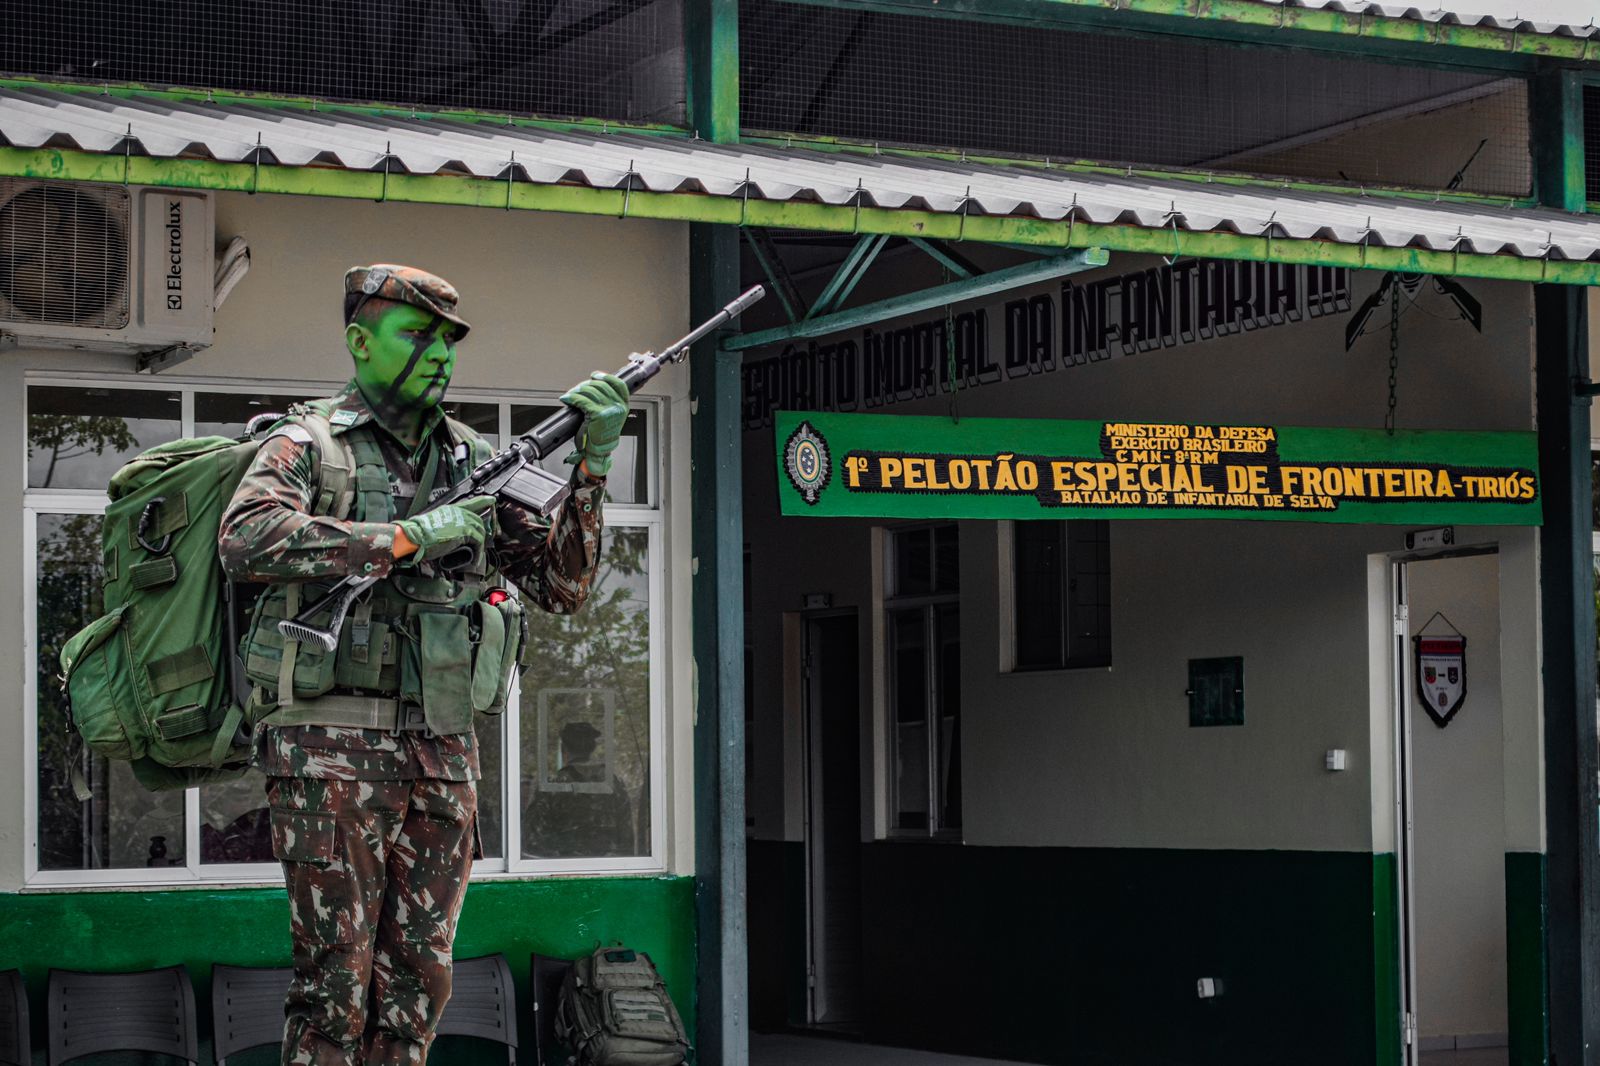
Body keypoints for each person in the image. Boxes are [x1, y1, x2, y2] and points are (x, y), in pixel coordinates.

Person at [218, 264, 630, 1066]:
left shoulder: (478, 458)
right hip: (331, 750)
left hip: (444, 754)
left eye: (447, 340)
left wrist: (593, 469)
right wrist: (407, 537)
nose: (438, 353)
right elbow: (247, 538)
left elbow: (563, 585)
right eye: (416, 335)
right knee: (335, 988)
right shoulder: (309, 444)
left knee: (418, 988)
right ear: (358, 342)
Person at [525, 720, 634, 857]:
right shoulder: (613, 784)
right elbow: (627, 838)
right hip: (608, 868)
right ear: (592, 748)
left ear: (564, 749)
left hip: (563, 870)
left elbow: (533, 841)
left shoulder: (553, 785)